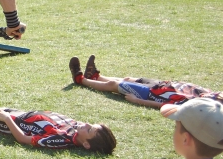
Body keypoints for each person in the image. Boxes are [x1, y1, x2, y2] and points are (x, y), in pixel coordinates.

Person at [0, 104, 116, 154]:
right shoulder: (76, 128)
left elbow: (24, 139)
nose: (86, 124)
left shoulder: (62, 140)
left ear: (86, 144)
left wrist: (7, 119)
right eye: (91, 124)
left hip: (11, 123)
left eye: (89, 130)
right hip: (20, 114)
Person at [69, 56, 223, 109]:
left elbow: (167, 107)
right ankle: (96, 76)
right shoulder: (215, 96)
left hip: (152, 94)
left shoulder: (203, 108)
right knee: (128, 79)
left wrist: (139, 101)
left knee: (114, 86)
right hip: (164, 85)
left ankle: (81, 80)